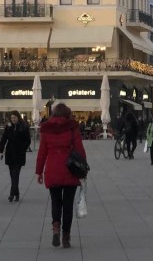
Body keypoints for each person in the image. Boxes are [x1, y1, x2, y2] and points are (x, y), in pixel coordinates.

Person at [35, 103, 87, 249]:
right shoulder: (72, 127)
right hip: (70, 169)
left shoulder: (46, 129)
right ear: (67, 113)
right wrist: (83, 169)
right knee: (68, 204)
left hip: (52, 169)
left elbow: (42, 153)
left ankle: (56, 226)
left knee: (55, 201)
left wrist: (39, 171)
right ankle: (66, 236)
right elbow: (80, 150)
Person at [0, 111, 31, 202]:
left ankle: (12, 194)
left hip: (19, 154)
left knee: (15, 174)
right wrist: (0, 151)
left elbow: (28, 140)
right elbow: (4, 139)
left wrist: (23, 148)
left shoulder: (23, 127)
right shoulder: (9, 127)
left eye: (15, 117)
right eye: (12, 118)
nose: (13, 119)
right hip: (10, 154)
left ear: (18, 117)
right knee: (12, 175)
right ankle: (17, 193)